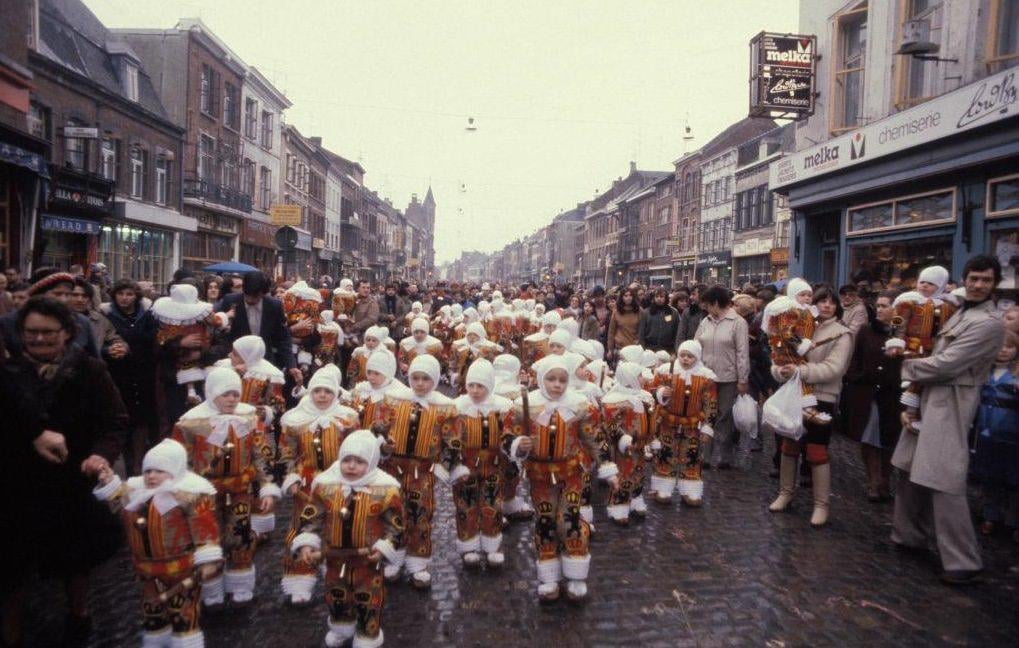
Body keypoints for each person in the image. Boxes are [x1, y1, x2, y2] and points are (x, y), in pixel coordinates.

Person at [3, 296, 127, 646]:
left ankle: (78, 615)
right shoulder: (9, 373)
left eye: (47, 333)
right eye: (31, 333)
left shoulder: (89, 370)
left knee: (74, 558)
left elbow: (114, 421)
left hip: (71, 479)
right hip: (17, 483)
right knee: (13, 568)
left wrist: (100, 456)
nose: (39, 340)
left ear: (67, 333)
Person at [890, 255, 1005, 585]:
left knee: (943, 477)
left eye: (985, 279)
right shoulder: (960, 311)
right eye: (974, 278)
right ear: (965, 280)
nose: (978, 284)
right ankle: (909, 535)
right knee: (909, 467)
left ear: (994, 283)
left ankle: (962, 560)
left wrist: (906, 364)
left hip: (952, 399)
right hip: (927, 393)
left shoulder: (987, 323)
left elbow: (947, 364)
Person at [506, 356, 618, 602]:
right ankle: (549, 577)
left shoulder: (579, 406)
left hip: (571, 474)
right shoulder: (524, 405)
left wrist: (608, 467)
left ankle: (576, 574)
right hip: (540, 477)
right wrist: (518, 446)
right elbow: (509, 435)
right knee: (545, 521)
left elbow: (593, 437)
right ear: (541, 379)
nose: (557, 385)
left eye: (562, 380)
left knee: (568, 520)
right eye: (551, 379)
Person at [92, 440, 222, 648]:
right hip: (149, 570)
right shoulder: (137, 492)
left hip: (181, 569)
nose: (151, 476)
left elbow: (204, 528)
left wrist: (208, 558)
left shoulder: (188, 495)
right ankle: (157, 638)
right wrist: (109, 481)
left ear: (175, 471)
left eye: (159, 471)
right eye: (148, 471)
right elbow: (118, 498)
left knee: (183, 612)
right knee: (152, 612)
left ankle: (186, 641)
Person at [171, 367, 281, 606]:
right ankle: (211, 584)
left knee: (240, 533)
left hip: (240, 488)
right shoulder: (191, 422)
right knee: (208, 537)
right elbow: (182, 458)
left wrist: (267, 485)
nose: (232, 399)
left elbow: (261, 453)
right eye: (225, 394)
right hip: (205, 491)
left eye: (235, 394)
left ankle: (240, 578)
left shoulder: (249, 417)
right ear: (211, 394)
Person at [289, 430, 403, 648]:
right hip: (334, 557)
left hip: (368, 559)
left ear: (371, 462)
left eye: (359, 462)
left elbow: (395, 525)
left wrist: (386, 546)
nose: (351, 466)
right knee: (336, 595)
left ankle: (367, 634)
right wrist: (306, 541)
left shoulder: (386, 489)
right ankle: (341, 625)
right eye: (347, 460)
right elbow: (312, 516)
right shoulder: (325, 486)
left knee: (368, 598)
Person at [769, 286, 853, 528]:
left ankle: (821, 504)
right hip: (793, 394)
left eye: (831, 302)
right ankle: (785, 492)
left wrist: (801, 371)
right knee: (789, 444)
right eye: (821, 301)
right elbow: (781, 353)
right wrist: (779, 370)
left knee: (817, 450)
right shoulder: (802, 323)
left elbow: (834, 368)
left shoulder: (841, 333)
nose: (826, 305)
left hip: (822, 396)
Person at [374, 355, 458, 589]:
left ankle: (418, 561)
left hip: (422, 469)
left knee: (420, 513)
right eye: (415, 378)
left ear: (434, 381)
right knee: (392, 512)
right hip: (393, 467)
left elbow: (452, 441)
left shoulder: (444, 408)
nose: (420, 383)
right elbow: (377, 429)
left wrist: (445, 465)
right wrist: (382, 446)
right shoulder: (393, 401)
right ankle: (394, 555)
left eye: (425, 379)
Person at [278, 368, 359, 606]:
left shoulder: (348, 418)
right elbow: (287, 454)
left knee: (339, 527)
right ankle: (299, 578)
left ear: (335, 393)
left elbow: (357, 449)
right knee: (303, 527)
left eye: (327, 391)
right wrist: (291, 477)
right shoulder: (295, 421)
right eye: (317, 391)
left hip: (339, 481)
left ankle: (339, 576)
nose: (322, 396)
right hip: (307, 484)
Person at [447, 359, 513, 567]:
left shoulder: (501, 408)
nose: (475, 391)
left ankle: (492, 544)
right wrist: (454, 464)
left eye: (480, 386)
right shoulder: (459, 408)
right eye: (471, 385)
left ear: (490, 386)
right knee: (466, 505)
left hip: (493, 465)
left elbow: (508, 434)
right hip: (466, 466)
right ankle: (469, 545)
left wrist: (513, 445)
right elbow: (451, 439)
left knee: (492, 504)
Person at [842, 290, 904, 501]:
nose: (879, 309)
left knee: (888, 439)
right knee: (868, 438)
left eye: (885, 306)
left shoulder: (903, 334)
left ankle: (885, 479)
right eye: (878, 305)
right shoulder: (866, 331)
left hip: (892, 395)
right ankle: (873, 481)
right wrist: (856, 377)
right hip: (866, 393)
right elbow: (855, 358)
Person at [102, 278, 159, 474]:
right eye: (120, 294)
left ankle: (138, 463)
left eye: (129, 294)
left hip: (144, 373)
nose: (125, 298)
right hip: (119, 373)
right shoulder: (107, 316)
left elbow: (153, 339)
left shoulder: (147, 316)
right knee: (124, 417)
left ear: (136, 296)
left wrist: (129, 338)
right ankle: (125, 461)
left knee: (142, 419)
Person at [651, 341, 717, 505]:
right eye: (682, 355)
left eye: (690, 356)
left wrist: (708, 426)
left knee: (692, 455)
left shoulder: (706, 376)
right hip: (669, 421)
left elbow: (711, 402)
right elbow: (652, 390)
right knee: (666, 453)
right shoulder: (666, 371)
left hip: (693, 424)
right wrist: (661, 393)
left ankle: (690, 490)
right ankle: (663, 488)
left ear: (697, 357)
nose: (685, 359)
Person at [694, 285, 749, 469]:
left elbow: (742, 352)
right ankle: (705, 455)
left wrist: (743, 378)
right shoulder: (706, 321)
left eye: (708, 305)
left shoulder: (738, 322)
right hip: (707, 376)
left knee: (724, 416)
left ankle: (725, 456)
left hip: (728, 377)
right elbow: (696, 344)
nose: (706, 310)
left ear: (716, 303)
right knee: (706, 415)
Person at [972, 330, 1019, 542]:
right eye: (1000, 346)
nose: (1003, 351)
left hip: (1011, 433)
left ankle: (1013, 520)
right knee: (989, 476)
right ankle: (990, 515)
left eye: (1009, 347)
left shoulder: (1016, 374)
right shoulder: (984, 371)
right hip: (985, 431)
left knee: (1013, 480)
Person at [0, 268, 99, 358]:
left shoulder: (82, 322)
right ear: (39, 295)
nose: (64, 299)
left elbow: (95, 360)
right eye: (57, 294)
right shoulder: (9, 322)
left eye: (68, 294)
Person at [601, 361, 655, 524]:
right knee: (623, 473)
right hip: (622, 448)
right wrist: (622, 439)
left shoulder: (644, 397)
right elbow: (610, 425)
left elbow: (652, 417)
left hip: (640, 444)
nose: (642, 378)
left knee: (638, 472)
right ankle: (618, 504)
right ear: (629, 378)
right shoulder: (614, 400)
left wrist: (652, 436)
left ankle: (636, 497)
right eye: (639, 375)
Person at [219, 271, 299, 379]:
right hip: (235, 365)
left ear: (263, 293)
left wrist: (291, 365)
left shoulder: (274, 306)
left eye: (255, 296)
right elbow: (222, 334)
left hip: (264, 366)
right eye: (247, 295)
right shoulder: (230, 301)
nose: (250, 300)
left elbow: (283, 338)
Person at [69, 276, 125, 357]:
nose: (80, 299)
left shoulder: (101, 320)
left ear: (89, 299)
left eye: (84, 296)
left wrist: (119, 347)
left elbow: (114, 338)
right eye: (75, 295)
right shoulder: (57, 319)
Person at [639, 288, 680, 352]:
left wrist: (675, 351)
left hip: (668, 349)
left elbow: (677, 333)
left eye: (661, 296)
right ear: (653, 298)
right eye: (657, 296)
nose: (659, 299)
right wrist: (642, 349)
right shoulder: (646, 312)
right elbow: (641, 333)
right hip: (649, 349)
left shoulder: (674, 312)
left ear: (666, 298)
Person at [607, 288, 641, 360]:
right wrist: (610, 349)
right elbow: (611, 332)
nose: (628, 298)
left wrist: (639, 340)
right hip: (619, 347)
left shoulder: (639, 311)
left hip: (634, 348)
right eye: (625, 296)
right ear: (622, 297)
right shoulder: (616, 312)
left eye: (630, 295)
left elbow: (642, 329)